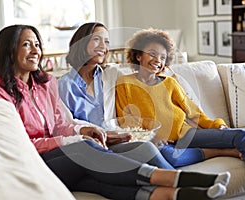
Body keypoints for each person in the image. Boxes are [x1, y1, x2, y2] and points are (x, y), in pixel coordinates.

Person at [0, 24, 230, 200]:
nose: (36, 50)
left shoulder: (45, 83)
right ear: (9, 49)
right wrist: (74, 138)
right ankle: (167, 178)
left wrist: (85, 129)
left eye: (37, 44)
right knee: (84, 150)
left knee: (94, 178)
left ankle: (170, 195)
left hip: (67, 157)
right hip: (36, 162)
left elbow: (59, 124)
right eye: (26, 44)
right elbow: (21, 145)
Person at [115, 28, 245, 198]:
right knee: (167, 157)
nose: (157, 60)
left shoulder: (170, 83)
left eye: (162, 57)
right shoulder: (125, 83)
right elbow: (127, 121)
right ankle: (220, 151)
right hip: (160, 144)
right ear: (138, 56)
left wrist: (217, 126)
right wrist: (151, 137)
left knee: (241, 136)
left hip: (186, 134)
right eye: (152, 54)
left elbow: (193, 112)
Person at [58, 22, 174, 169]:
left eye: (106, 41)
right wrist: (102, 134)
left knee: (165, 150)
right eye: (97, 39)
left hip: (120, 140)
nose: (103, 46)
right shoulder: (63, 85)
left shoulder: (112, 75)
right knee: (147, 150)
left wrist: (150, 134)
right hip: (91, 146)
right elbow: (67, 124)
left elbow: (139, 87)